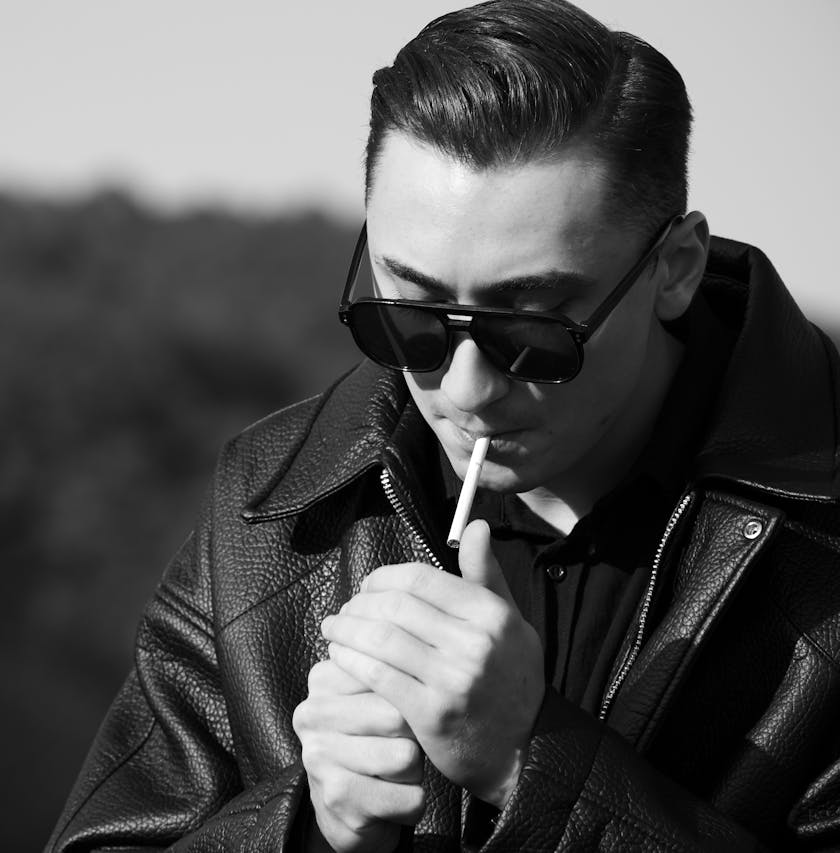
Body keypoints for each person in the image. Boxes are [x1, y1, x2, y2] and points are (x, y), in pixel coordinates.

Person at [47, 0, 840, 849]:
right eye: (411, 316)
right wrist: (305, 826)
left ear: (674, 268)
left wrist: (525, 760)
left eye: (534, 329)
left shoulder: (817, 540)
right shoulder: (275, 510)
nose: (463, 387)